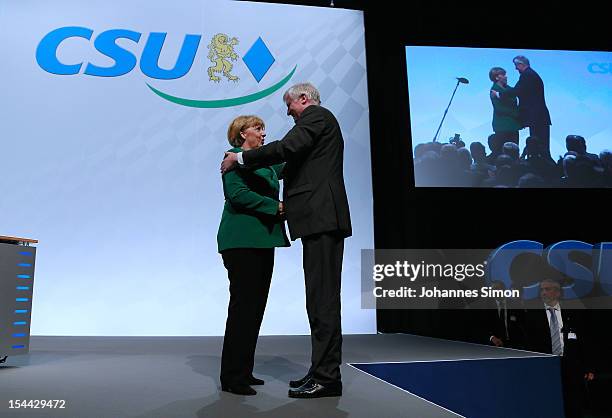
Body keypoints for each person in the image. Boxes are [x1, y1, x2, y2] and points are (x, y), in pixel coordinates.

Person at [221, 82, 351, 399]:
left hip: (321, 219)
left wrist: (241, 160)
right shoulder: (314, 126)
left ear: (303, 99)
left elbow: (284, 151)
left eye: (289, 106)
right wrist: (239, 159)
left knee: (323, 300)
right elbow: (276, 166)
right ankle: (321, 372)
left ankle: (327, 376)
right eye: (258, 128)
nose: (288, 113)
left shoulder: (316, 117)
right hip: (303, 224)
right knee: (318, 300)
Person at [217, 115, 289, 396]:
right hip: (241, 240)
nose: (263, 132)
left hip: (262, 240)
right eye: (257, 128)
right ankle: (232, 376)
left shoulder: (264, 163)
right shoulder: (233, 158)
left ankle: (244, 371)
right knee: (242, 308)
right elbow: (238, 195)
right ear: (241, 133)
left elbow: (291, 157)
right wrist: (277, 206)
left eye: (262, 128)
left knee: (255, 309)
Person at [523, 279, 595, 418]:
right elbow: (529, 344)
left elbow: (584, 341)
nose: (543, 292)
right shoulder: (532, 314)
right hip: (545, 367)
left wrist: (588, 367)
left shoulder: (573, 312)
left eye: (547, 289)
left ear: (558, 292)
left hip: (571, 366)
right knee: (548, 403)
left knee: (573, 405)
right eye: (542, 289)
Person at [491, 56, 552, 161]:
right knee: (539, 146)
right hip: (533, 119)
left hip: (537, 118)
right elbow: (513, 94)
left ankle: (547, 169)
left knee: (541, 147)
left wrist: (499, 95)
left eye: (516, 66)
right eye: (503, 74)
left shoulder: (527, 75)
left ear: (521, 64)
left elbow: (516, 91)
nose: (515, 69)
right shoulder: (528, 75)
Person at [488, 67, 521, 161]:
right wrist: (515, 113)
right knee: (502, 153)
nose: (506, 77)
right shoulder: (494, 90)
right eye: (503, 75)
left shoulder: (509, 89)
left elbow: (515, 94)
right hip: (502, 126)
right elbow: (499, 109)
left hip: (513, 125)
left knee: (514, 152)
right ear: (497, 77)